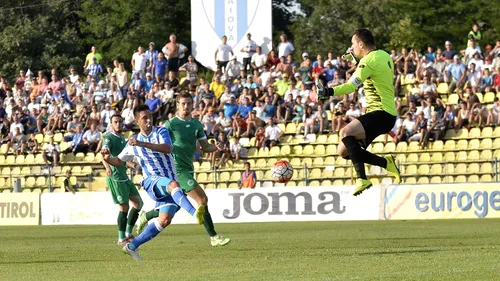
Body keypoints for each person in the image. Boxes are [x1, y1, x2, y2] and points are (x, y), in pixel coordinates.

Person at [103, 104, 206, 260]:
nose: (149, 120)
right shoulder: (133, 142)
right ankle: (195, 214)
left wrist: (142, 144)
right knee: (173, 186)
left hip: (170, 180)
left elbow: (167, 148)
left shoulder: (160, 131)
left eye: (150, 117)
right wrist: (107, 159)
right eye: (144, 118)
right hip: (152, 181)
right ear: (137, 122)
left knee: (164, 220)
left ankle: (131, 246)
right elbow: (119, 161)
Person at [137, 93, 231, 247]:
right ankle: (214, 236)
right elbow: (160, 143)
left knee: (177, 206)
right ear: (177, 105)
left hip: (188, 167)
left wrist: (216, 147)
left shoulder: (196, 125)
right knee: (202, 200)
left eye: (188, 103)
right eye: (183, 103)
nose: (186, 106)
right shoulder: (170, 124)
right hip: (177, 170)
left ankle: (147, 215)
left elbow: (205, 147)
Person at [315, 28, 401, 196]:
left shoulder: (367, 61)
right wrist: (358, 60)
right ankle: (386, 163)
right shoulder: (384, 55)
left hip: (381, 113)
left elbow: (350, 86)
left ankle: (362, 179)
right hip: (387, 114)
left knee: (345, 131)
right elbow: (374, 69)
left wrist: (328, 92)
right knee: (344, 151)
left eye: (353, 44)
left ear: (361, 44)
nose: (351, 47)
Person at [101, 114, 144, 245]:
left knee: (138, 204)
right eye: (115, 122)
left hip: (124, 177)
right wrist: (107, 166)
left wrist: (135, 165)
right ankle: (121, 238)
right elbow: (104, 153)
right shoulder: (108, 138)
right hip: (116, 177)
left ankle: (128, 233)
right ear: (111, 124)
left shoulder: (124, 140)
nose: (118, 124)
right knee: (124, 207)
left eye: (120, 122)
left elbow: (123, 161)